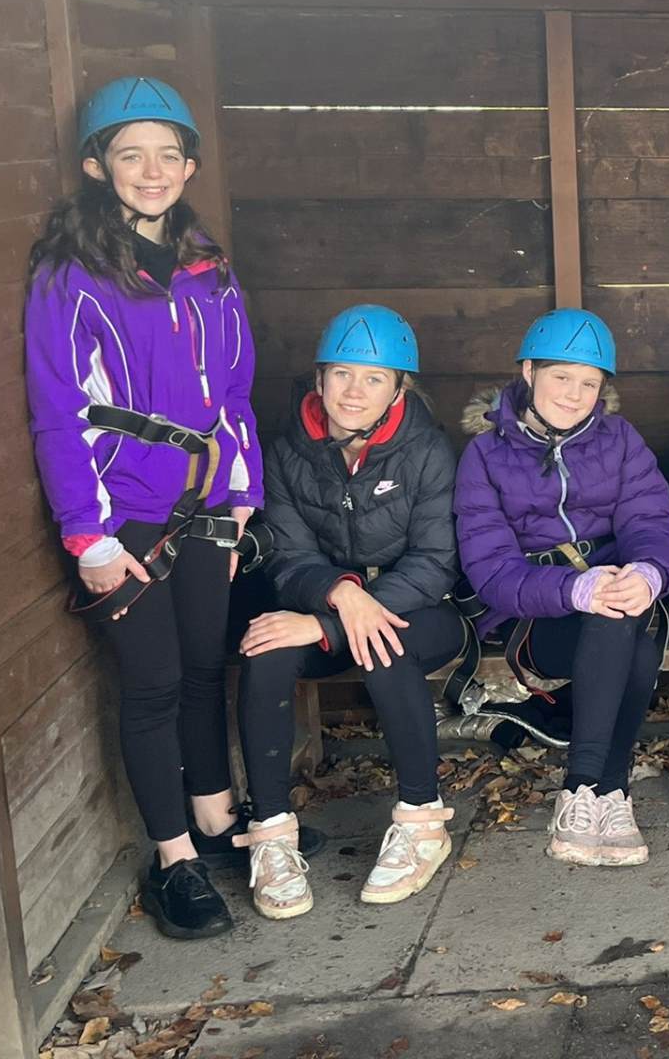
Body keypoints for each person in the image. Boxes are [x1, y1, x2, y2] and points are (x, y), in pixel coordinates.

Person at [24, 77, 264, 940]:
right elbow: (58, 411)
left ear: (190, 165)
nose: (152, 170)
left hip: (205, 504)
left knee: (203, 667)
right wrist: (86, 537)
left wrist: (242, 495)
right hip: (122, 511)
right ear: (98, 165)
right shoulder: (72, 277)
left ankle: (215, 818)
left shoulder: (209, 269)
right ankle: (174, 861)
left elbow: (234, 392)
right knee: (154, 682)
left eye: (168, 154)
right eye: (132, 154)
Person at [234, 304, 468, 917]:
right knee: (266, 650)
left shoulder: (427, 449)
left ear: (398, 390)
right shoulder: (287, 449)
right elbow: (288, 554)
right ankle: (272, 835)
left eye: (373, 378)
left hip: (419, 608)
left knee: (383, 649)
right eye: (341, 374)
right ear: (319, 379)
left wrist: (331, 623)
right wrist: (338, 597)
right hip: (321, 601)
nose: (354, 391)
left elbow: (435, 562)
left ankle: (422, 823)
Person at [455, 309, 669, 866]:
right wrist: (573, 590)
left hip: (617, 600)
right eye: (561, 377)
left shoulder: (620, 440)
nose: (574, 394)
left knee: (622, 621)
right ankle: (599, 785)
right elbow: (490, 568)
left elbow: (651, 523)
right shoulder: (485, 452)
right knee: (627, 640)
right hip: (533, 616)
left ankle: (594, 794)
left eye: (589, 382)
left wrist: (649, 573)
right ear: (529, 372)